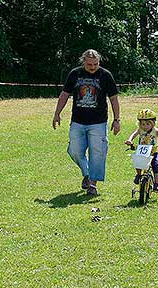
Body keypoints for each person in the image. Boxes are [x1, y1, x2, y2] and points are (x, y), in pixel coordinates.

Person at [52, 49, 120, 196]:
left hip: (98, 122)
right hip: (78, 121)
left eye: (95, 64)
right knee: (74, 150)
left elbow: (113, 98)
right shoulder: (75, 74)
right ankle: (87, 173)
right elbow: (64, 94)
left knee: (98, 152)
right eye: (89, 64)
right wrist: (57, 114)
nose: (93, 67)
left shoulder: (105, 75)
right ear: (83, 62)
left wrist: (116, 119)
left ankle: (92, 184)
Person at [125, 109, 158, 191]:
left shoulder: (155, 130)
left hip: (152, 152)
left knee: (156, 166)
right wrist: (130, 140)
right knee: (138, 163)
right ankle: (139, 174)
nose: (145, 126)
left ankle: (156, 183)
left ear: (153, 124)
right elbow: (134, 134)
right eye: (143, 124)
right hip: (142, 151)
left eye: (148, 124)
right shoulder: (140, 130)